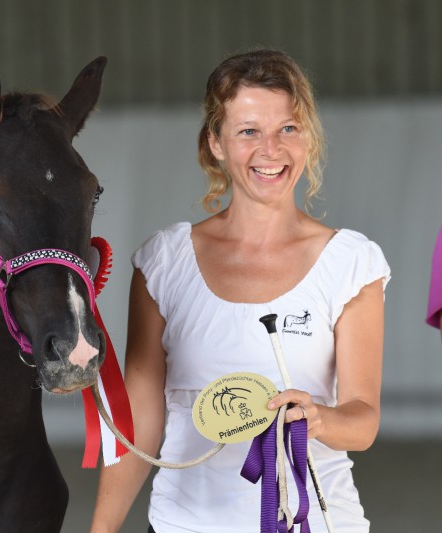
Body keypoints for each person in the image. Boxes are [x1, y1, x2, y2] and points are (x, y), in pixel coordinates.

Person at [91, 49, 391, 532]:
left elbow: (363, 420)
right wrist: (100, 531)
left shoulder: (351, 263)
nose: (270, 150)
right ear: (216, 143)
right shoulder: (164, 263)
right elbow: (138, 426)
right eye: (249, 131)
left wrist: (317, 418)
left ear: (307, 139)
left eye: (287, 129)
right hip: (182, 523)